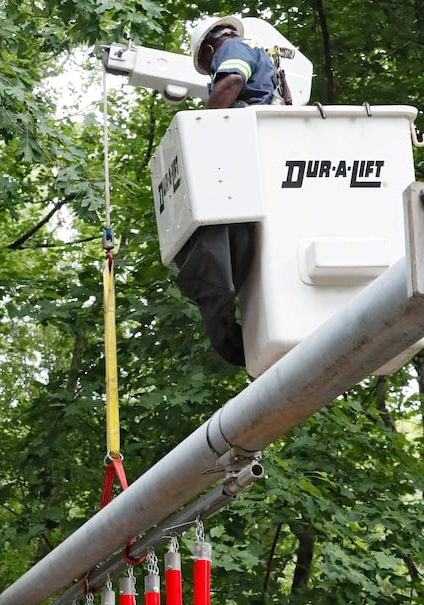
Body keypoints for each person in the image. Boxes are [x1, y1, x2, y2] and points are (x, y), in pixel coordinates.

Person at [174, 15, 279, 368]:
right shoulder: (264, 58)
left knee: (212, 240)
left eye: (208, 66)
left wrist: (203, 130)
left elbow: (232, 79)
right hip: (255, 155)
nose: (212, 72)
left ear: (208, 48)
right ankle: (233, 330)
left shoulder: (232, 48)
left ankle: (224, 330)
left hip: (243, 154)